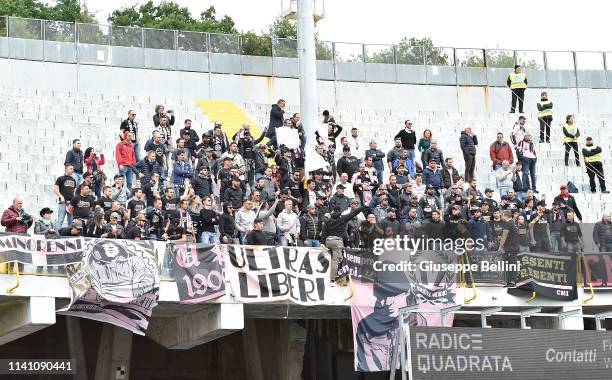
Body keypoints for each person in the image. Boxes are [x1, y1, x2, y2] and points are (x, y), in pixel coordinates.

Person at [320, 204, 369, 281]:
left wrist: (322, 243)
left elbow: (324, 232)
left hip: (328, 241)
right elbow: (354, 213)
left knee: (327, 258)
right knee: (335, 260)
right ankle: (332, 279)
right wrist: (364, 206)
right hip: (337, 242)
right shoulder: (343, 218)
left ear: (332, 211)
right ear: (340, 211)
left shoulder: (328, 220)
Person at [498, 211, 520, 286]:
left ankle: (511, 282)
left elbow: (504, 236)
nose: (501, 217)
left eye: (502, 216)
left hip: (510, 247)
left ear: (505, 215)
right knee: (512, 264)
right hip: (515, 246)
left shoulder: (508, 224)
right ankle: (512, 281)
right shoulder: (513, 223)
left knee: (510, 265)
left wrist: (500, 247)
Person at [53, 164, 76, 230]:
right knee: (60, 220)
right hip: (63, 202)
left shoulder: (74, 180)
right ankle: (57, 235)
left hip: (71, 204)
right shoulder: (60, 178)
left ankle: (70, 236)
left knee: (71, 221)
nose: (72, 170)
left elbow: (73, 191)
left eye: (73, 169)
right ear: (66, 169)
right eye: (71, 168)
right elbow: (55, 189)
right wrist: (61, 196)